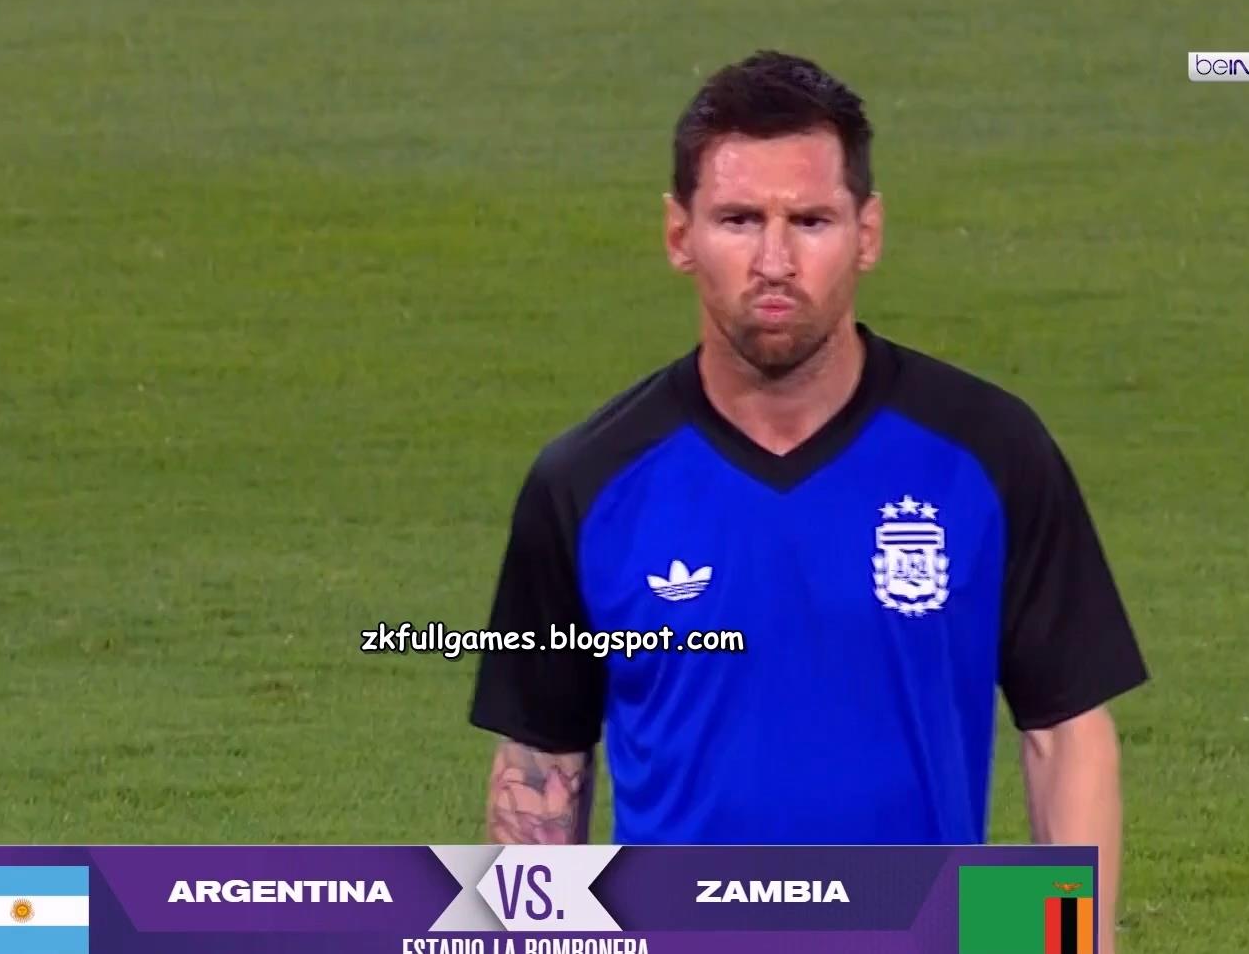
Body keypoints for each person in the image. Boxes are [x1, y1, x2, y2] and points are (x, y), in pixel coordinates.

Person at [467, 50, 1148, 947]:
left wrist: (1072, 944)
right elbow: (541, 765)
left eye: (811, 221)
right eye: (739, 219)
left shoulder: (987, 453)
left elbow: (1066, 733)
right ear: (679, 235)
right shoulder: (587, 484)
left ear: (868, 233)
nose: (775, 260)